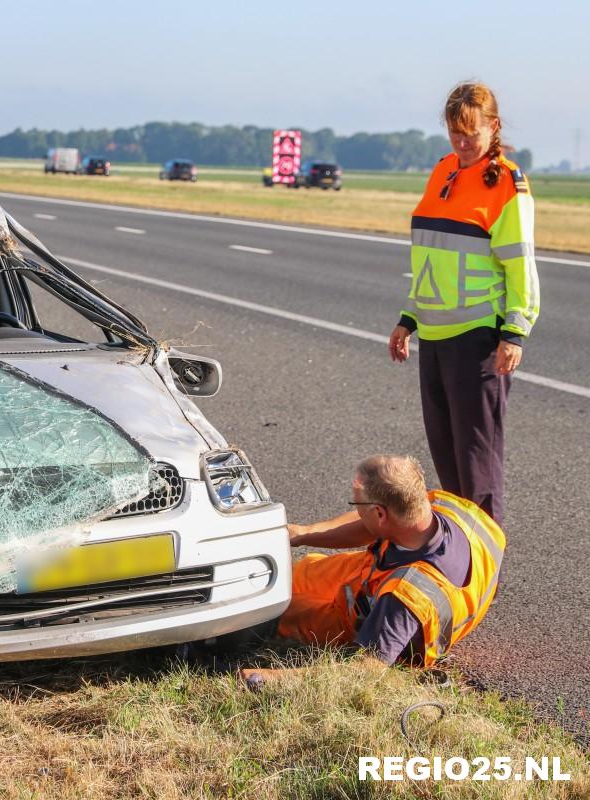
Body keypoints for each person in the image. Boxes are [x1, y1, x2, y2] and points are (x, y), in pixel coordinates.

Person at [388, 81, 540, 522]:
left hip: (478, 340)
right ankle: (457, 558)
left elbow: (520, 267)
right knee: (447, 462)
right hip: (435, 336)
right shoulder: (443, 171)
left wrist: (514, 332)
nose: (462, 141)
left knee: (478, 468)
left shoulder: (509, 185)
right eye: (455, 132)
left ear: (492, 127)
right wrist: (408, 318)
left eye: (470, 132)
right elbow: (431, 259)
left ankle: (483, 573)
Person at [240, 455, 505, 688]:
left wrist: (270, 678)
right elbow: (371, 525)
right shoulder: (439, 508)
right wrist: (303, 534)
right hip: (372, 574)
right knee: (296, 571)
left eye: (358, 507)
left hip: (363, 616)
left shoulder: (406, 597)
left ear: (379, 513)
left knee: (262, 607)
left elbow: (367, 670)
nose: (355, 511)